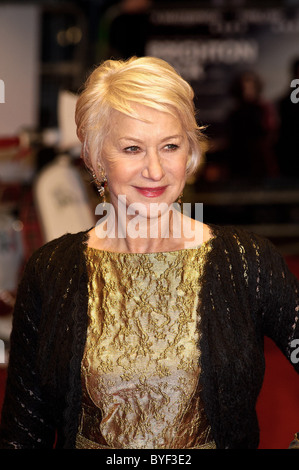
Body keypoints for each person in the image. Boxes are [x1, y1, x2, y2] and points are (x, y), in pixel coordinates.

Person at [0, 56, 298, 450]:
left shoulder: (247, 261)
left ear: (190, 153)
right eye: (132, 148)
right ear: (95, 156)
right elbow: (24, 430)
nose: (155, 170)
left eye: (170, 146)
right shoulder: (51, 270)